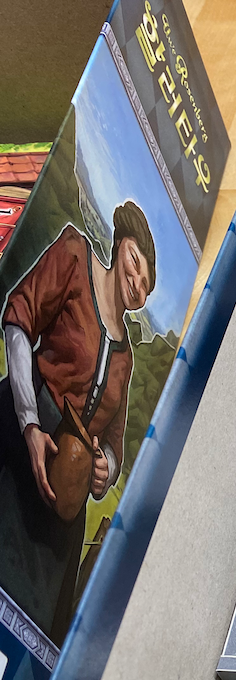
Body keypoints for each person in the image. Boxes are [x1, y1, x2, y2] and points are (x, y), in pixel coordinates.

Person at [0, 202, 155, 640]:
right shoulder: (74, 255)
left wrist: (106, 468)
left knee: (40, 613)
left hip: (64, 495)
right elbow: (18, 320)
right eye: (135, 264)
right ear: (121, 244)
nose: (136, 284)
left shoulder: (126, 359)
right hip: (18, 440)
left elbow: (114, 443)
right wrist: (30, 425)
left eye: (146, 287)